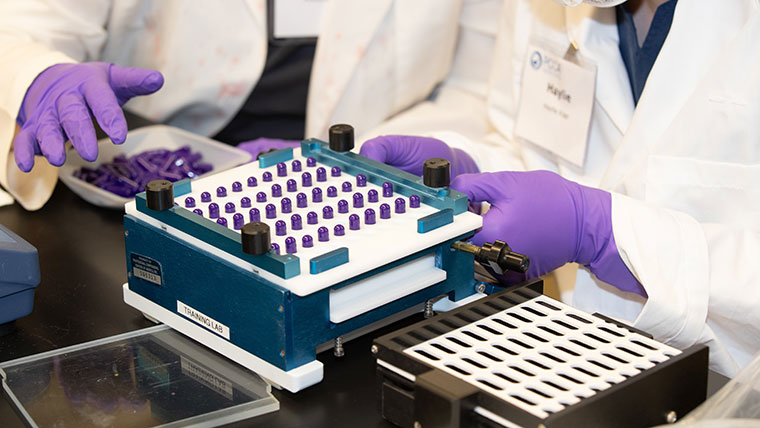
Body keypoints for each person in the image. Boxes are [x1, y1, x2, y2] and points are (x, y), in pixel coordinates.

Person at [358, 0, 760, 378]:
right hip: (557, 347)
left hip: (719, 392)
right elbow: (531, 150)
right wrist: (472, 169)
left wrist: (604, 233)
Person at [0, 0, 462, 210]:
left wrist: (390, 153)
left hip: (362, 194)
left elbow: (475, 90)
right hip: (154, 178)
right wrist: (37, 73)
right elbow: (21, 22)